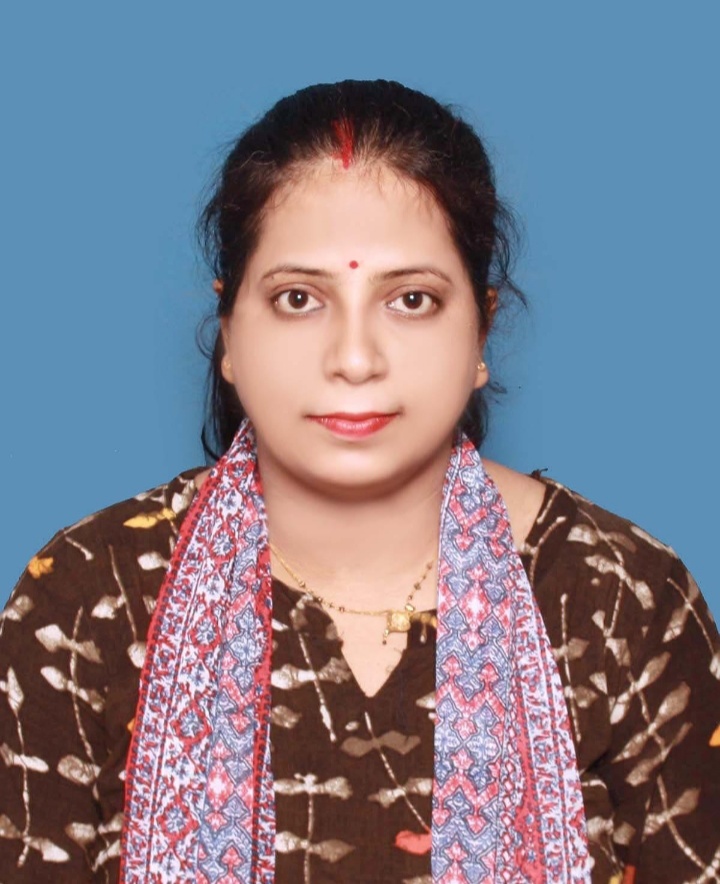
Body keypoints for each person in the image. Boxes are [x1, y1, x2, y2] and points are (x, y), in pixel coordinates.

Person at [0, 80, 718, 884]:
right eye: (298, 299)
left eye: (411, 299)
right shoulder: (89, 599)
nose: (353, 358)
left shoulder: (621, 599)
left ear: (481, 328)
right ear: (229, 331)